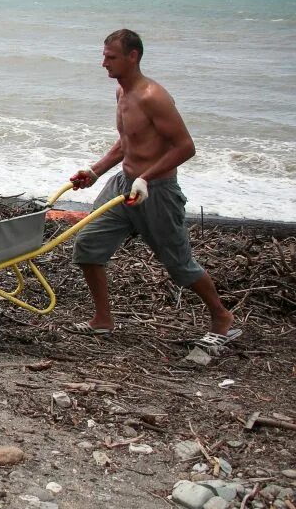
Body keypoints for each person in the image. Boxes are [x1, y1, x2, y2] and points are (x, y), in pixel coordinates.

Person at [68, 29, 236, 348]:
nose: (104, 63)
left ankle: (220, 315)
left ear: (133, 57)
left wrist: (146, 177)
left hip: (157, 190)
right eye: (103, 55)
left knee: (179, 264)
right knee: (88, 245)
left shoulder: (152, 96)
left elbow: (185, 147)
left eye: (111, 57)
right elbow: (127, 143)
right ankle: (102, 320)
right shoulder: (121, 93)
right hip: (124, 186)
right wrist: (94, 171)